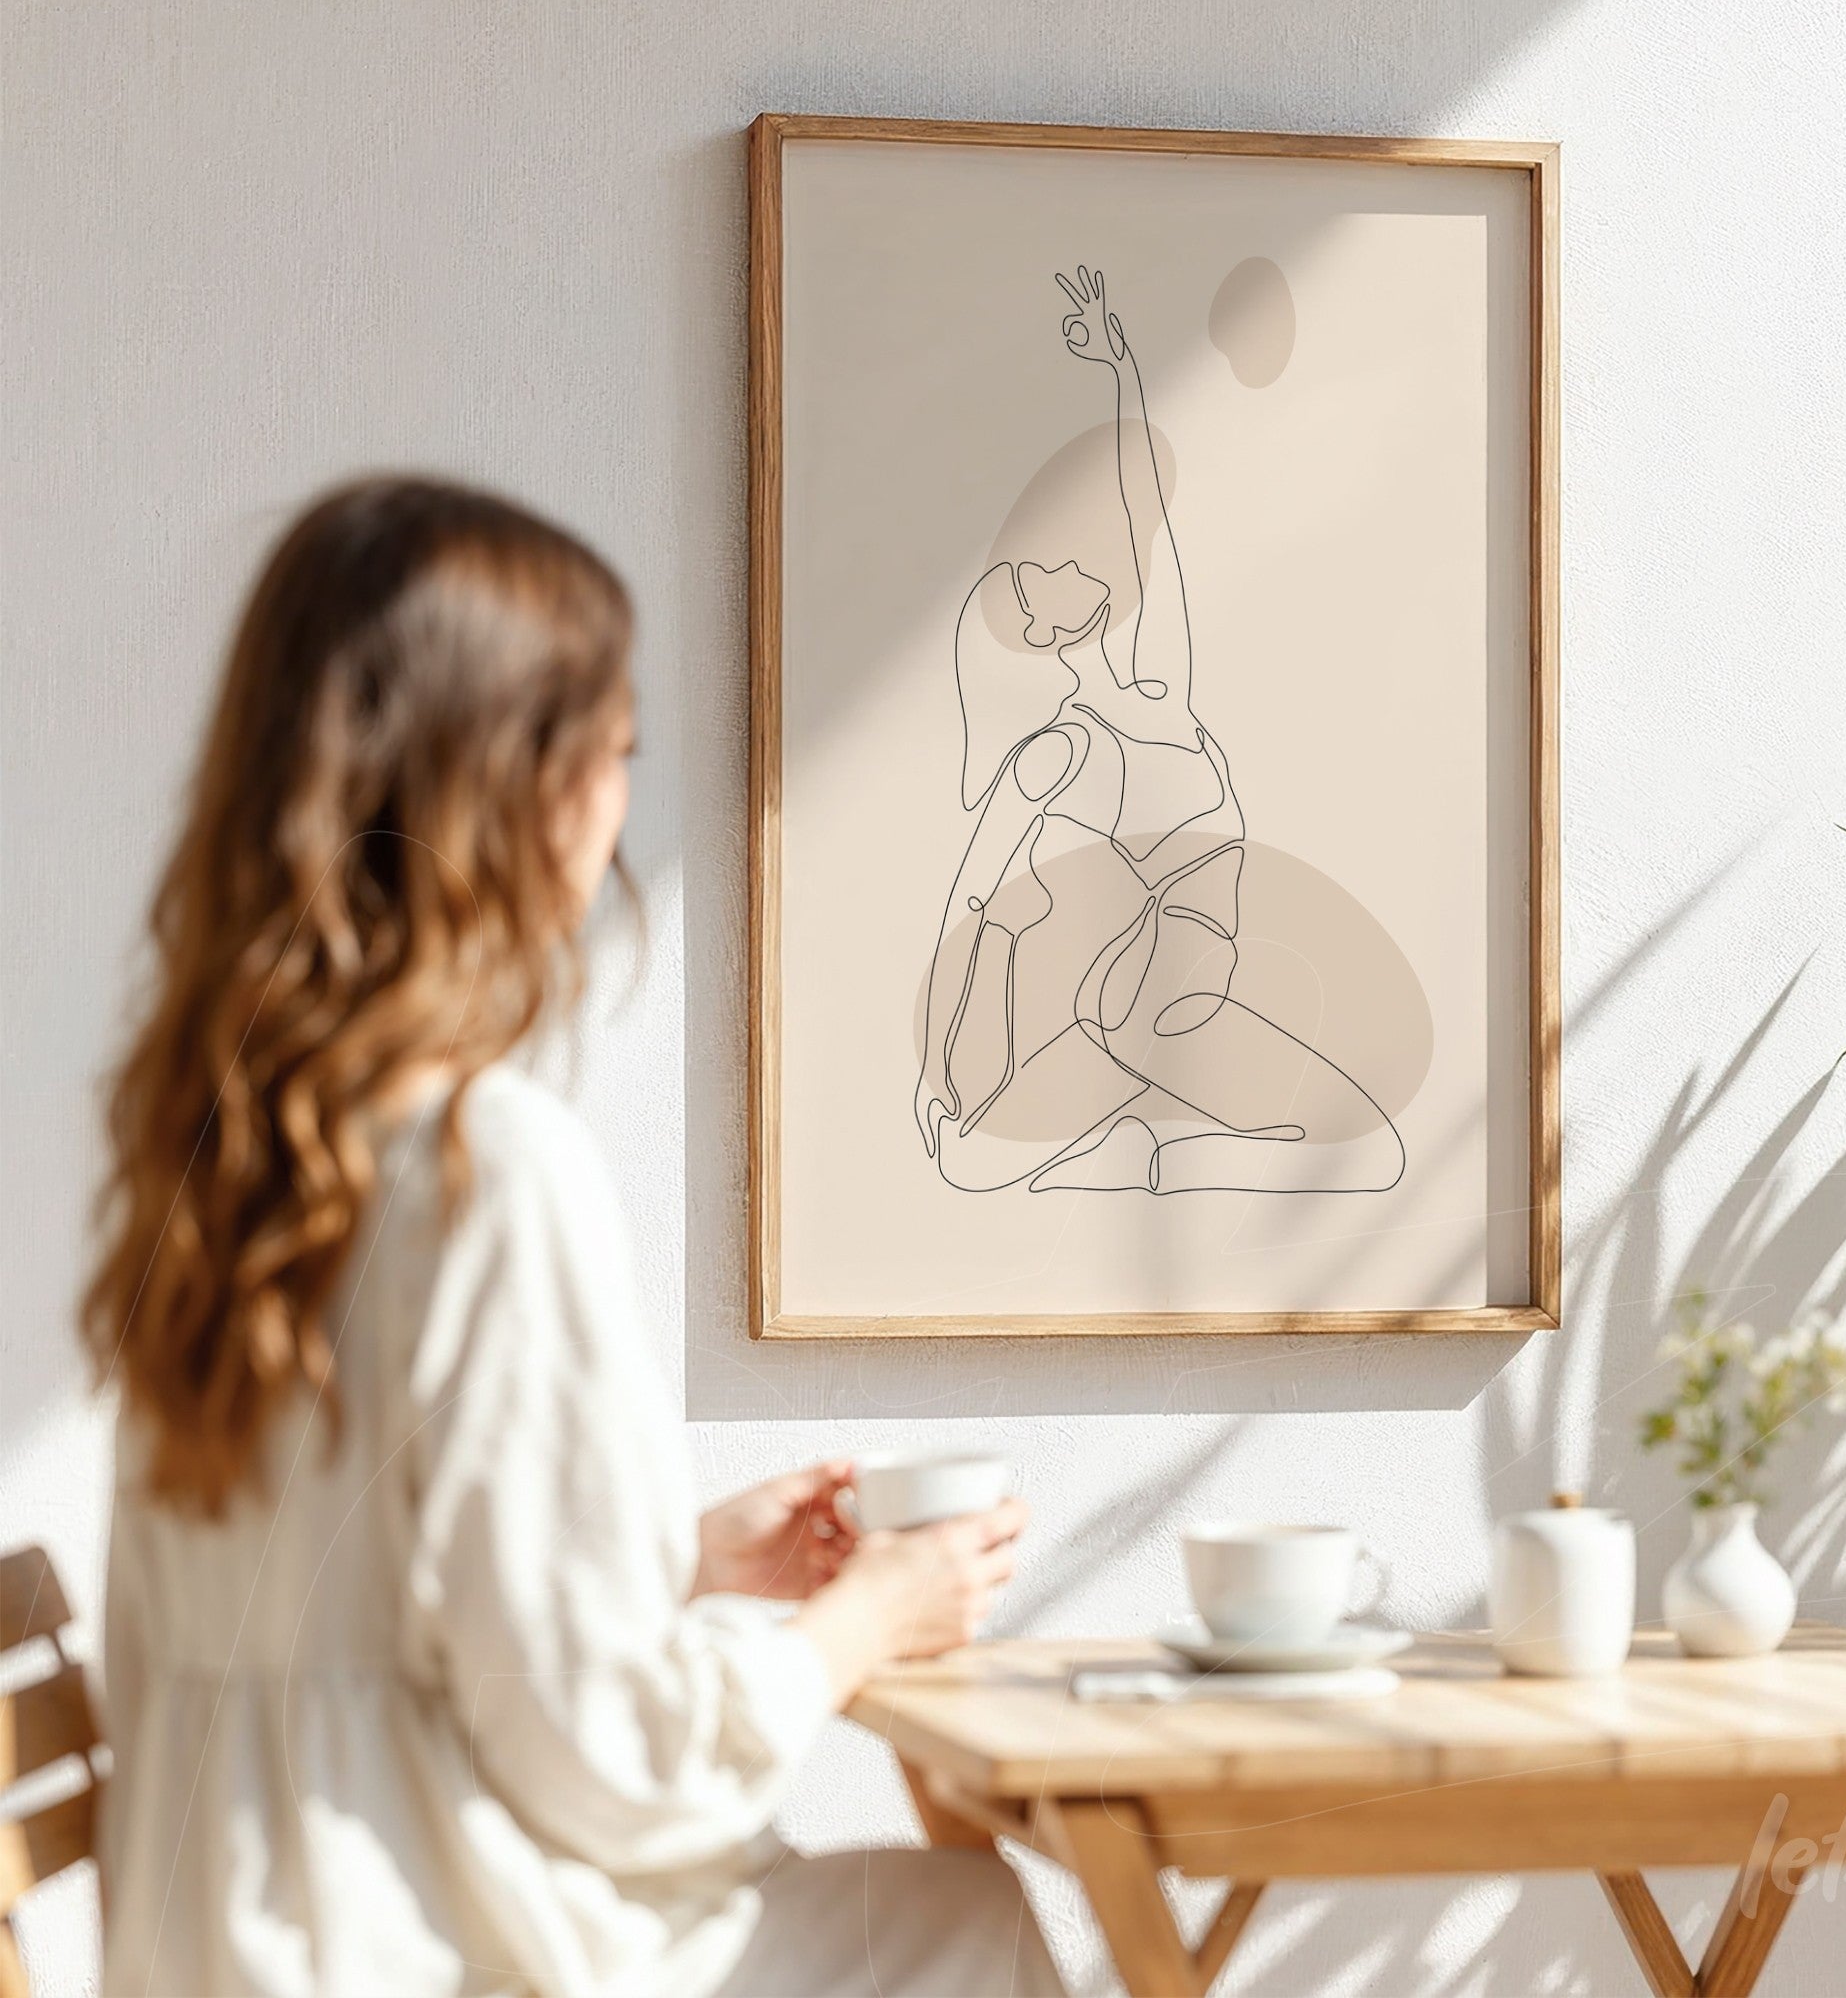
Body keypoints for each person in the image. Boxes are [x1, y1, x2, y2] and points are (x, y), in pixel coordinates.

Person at [82, 478, 1061, 1997]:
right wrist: (862, 1621)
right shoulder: (483, 1170)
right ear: (514, 790)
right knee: (964, 1926)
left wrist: (677, 1559)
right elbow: (614, 1758)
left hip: (227, 1943)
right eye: (613, 754)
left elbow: (359, 1614)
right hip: (429, 1949)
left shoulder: (216, 1160)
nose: (618, 806)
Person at [915, 264, 1406, 1199]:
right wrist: (940, 1055)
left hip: (1164, 983)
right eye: (1033, 585)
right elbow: (972, 896)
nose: (1064, 567)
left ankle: (1115, 1150)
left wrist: (1124, 372)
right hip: (1152, 988)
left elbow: (1147, 510)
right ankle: (1097, 1149)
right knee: (1364, 1150)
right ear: (1042, 633)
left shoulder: (1153, 685)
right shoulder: (1071, 744)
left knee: (1363, 1148)